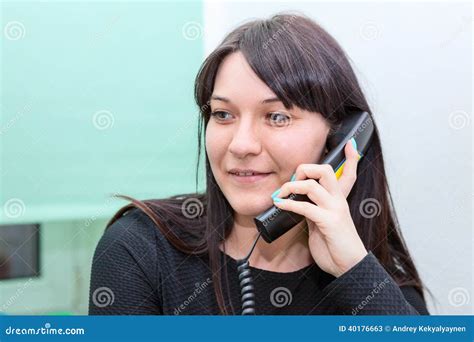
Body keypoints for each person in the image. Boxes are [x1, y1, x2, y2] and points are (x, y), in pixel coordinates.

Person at [88, 13, 429, 315]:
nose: (241, 144)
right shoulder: (140, 250)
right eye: (223, 114)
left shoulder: (374, 281)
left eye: (277, 117)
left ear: (339, 140)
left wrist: (354, 270)